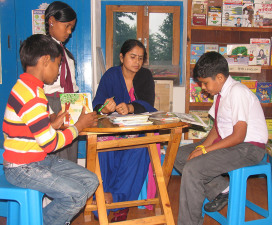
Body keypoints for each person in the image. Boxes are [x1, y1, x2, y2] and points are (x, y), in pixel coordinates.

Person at [2, 34, 99, 225]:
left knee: (91, 180)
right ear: (46, 60)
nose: (58, 72)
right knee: (76, 194)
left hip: (37, 159)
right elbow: (49, 143)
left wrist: (55, 122)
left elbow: (36, 127)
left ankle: (41, 218)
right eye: (58, 64)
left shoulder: (33, 89)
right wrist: (78, 127)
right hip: (23, 167)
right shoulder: (31, 95)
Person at [174, 52, 268, 225]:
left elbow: (239, 136)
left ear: (219, 77)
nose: (203, 87)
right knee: (179, 155)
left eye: (205, 83)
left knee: (194, 168)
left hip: (249, 147)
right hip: (229, 142)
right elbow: (217, 130)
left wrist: (204, 150)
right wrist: (199, 148)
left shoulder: (237, 92)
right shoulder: (219, 94)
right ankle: (223, 189)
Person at [92, 39, 156, 222]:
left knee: (138, 148)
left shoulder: (145, 76)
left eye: (140, 58)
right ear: (122, 57)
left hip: (137, 128)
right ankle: (103, 195)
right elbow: (98, 103)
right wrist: (104, 108)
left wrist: (130, 107)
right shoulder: (111, 75)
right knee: (103, 148)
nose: (137, 62)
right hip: (112, 130)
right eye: (132, 57)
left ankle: (119, 200)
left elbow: (148, 105)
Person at [44, 1, 79, 163]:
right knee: (55, 156)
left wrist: (79, 108)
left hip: (69, 103)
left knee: (70, 155)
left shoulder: (66, 53)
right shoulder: (42, 50)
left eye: (71, 27)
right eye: (67, 26)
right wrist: (50, 113)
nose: (69, 32)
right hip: (51, 105)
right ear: (52, 21)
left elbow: (72, 83)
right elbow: (36, 88)